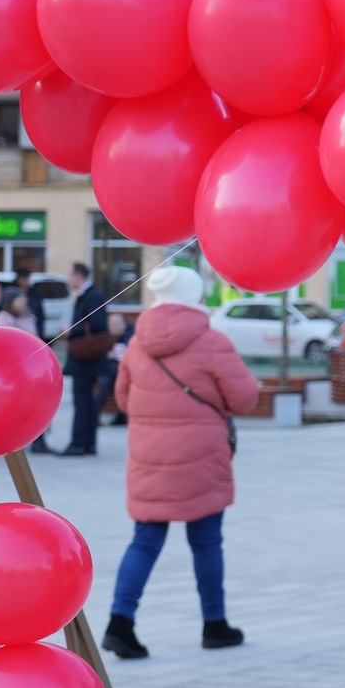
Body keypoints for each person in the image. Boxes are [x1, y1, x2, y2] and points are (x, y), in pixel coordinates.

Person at [101, 265, 261, 659]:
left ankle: (120, 623)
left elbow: (123, 400)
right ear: (195, 298)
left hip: (149, 457)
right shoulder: (212, 342)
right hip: (201, 459)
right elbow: (244, 400)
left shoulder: (136, 345)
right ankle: (214, 624)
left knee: (144, 540)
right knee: (206, 542)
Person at [60, 262, 110, 456]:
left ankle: (79, 443)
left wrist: (72, 331)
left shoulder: (92, 295)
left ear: (78, 275)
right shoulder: (87, 295)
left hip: (86, 358)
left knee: (82, 401)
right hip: (87, 359)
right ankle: (87, 443)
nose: (68, 279)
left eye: (70, 275)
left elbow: (98, 325)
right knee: (86, 402)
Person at [0, 294, 54, 453]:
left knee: (37, 405)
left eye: (24, 299)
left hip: (33, 369)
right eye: (20, 299)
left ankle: (39, 440)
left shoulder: (29, 317)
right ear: (10, 302)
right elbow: (5, 343)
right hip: (13, 371)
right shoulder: (4, 319)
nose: (24, 302)